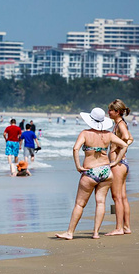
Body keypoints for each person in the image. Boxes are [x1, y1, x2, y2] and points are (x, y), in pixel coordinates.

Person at [55, 108, 128, 240]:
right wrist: (115, 161)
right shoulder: (108, 135)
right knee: (100, 202)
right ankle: (95, 233)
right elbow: (124, 145)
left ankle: (70, 232)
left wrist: (78, 166)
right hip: (106, 172)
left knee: (80, 204)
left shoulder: (85, 133)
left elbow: (75, 148)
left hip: (90, 172)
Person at [106, 99, 134, 236]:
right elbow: (130, 139)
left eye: (110, 110)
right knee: (122, 197)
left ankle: (119, 228)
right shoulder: (120, 124)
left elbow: (127, 138)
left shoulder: (120, 124)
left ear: (117, 112)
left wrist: (117, 156)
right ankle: (126, 227)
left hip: (118, 165)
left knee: (116, 197)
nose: (108, 112)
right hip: (123, 164)